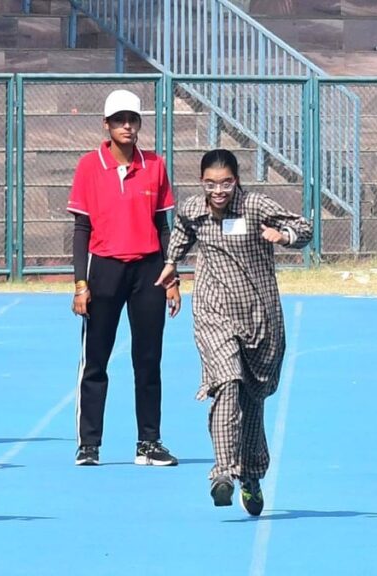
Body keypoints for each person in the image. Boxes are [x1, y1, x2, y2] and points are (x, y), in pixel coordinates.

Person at [155, 149, 312, 515]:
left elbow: (303, 227)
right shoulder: (194, 210)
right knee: (227, 383)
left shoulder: (255, 206)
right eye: (210, 183)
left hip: (260, 317)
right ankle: (222, 472)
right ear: (201, 183)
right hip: (214, 312)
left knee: (252, 398)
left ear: (236, 181)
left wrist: (283, 235)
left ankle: (252, 474)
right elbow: (180, 233)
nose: (218, 190)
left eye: (225, 182)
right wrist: (170, 268)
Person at [68, 89, 180, 467]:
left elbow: (163, 225)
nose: (127, 126)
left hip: (148, 271)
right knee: (95, 360)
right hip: (104, 270)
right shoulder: (89, 165)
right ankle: (89, 443)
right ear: (107, 125)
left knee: (148, 358)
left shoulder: (155, 165)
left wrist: (172, 275)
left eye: (132, 119)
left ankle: (149, 442)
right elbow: (81, 229)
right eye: (119, 120)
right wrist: (80, 284)